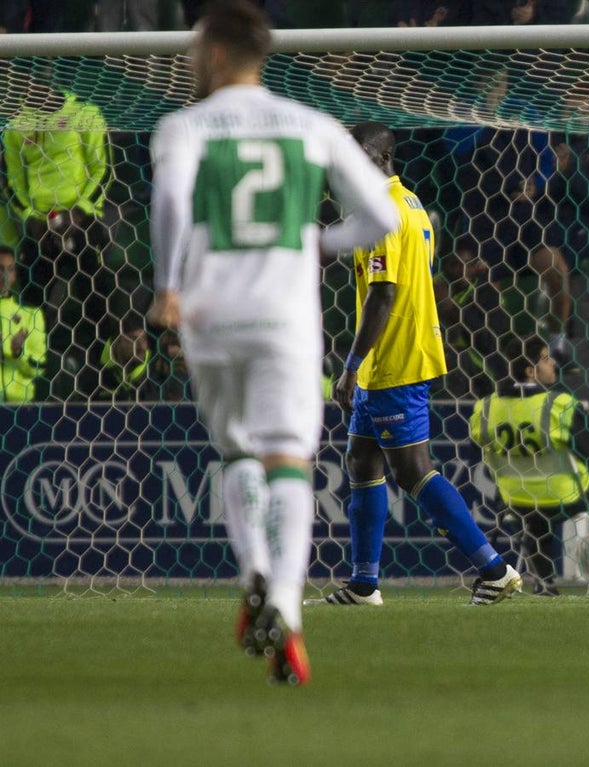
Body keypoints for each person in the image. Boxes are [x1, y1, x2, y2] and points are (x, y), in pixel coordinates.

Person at [147, 0, 401, 685]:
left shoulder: (182, 127)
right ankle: (286, 601)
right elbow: (381, 214)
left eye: (198, 47)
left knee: (237, 452)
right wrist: (320, 241)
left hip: (210, 311)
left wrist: (167, 285)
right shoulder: (311, 125)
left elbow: (170, 202)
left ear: (220, 54)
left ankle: (254, 568)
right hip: (286, 317)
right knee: (289, 459)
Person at [321, 121, 521, 608]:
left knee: (412, 471)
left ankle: (495, 570)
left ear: (383, 158)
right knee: (362, 460)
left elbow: (384, 294)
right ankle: (364, 584)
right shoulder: (412, 204)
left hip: (397, 358)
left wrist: (351, 364)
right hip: (391, 358)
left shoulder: (383, 210)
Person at [470, 335, 589, 596]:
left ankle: (545, 583)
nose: (553, 365)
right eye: (546, 359)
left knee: (535, 515)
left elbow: (483, 447)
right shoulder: (559, 405)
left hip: (516, 499)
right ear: (530, 370)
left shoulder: (486, 408)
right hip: (566, 496)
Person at [2, 64, 113, 359]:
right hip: (40, 230)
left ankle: (105, 370)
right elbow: (12, 180)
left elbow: (102, 169)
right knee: (32, 306)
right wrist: (31, 218)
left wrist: (80, 212)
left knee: (98, 301)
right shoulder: (16, 126)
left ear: (48, 83)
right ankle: (33, 368)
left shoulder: (85, 115)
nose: (26, 93)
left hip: (83, 223)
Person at [433, 234, 510, 398]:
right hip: (433, 364)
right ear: (444, 265)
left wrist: (450, 308)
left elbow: (487, 340)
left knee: (453, 359)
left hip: (480, 373)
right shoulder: (431, 287)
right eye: (454, 264)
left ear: (477, 267)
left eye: (466, 265)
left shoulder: (488, 294)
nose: (460, 272)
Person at [0, 245, 46, 403]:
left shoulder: (31, 315)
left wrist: (18, 352)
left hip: (20, 406)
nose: (4, 275)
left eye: (10, 269)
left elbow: (38, 369)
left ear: (15, 274)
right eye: (0, 269)